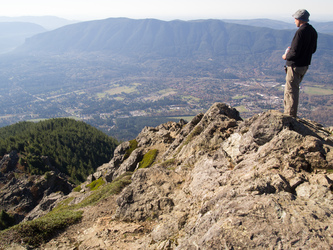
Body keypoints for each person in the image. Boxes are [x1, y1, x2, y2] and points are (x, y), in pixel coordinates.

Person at [282, 9, 318, 117]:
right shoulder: (312, 31)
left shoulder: (300, 32)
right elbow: (313, 49)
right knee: (293, 89)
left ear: (299, 19)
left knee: (291, 91)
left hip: (295, 66)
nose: (294, 21)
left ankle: (289, 116)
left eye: (295, 19)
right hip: (304, 65)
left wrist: (285, 56)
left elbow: (294, 52)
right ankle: (289, 114)